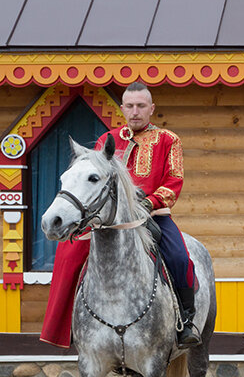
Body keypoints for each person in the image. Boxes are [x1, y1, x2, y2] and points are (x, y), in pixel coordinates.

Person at [41, 82, 201, 348]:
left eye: (141, 106)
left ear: (152, 108)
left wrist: (149, 203)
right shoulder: (107, 140)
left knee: (180, 258)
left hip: (153, 215)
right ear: (122, 108)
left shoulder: (168, 140)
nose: (135, 111)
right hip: (107, 220)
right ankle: (67, 324)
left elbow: (174, 181)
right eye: (129, 106)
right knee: (68, 253)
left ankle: (186, 321)